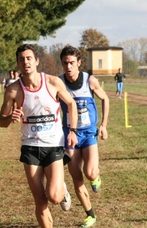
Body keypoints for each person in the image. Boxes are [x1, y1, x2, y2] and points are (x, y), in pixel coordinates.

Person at [0, 44, 78, 228]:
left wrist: (72, 131)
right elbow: (0, 121)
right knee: (40, 202)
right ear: (17, 63)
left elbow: (71, 104)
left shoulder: (52, 83)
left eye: (29, 58)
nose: (25, 62)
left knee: (54, 197)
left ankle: (62, 190)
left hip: (53, 145)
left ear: (36, 61)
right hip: (30, 147)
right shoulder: (13, 90)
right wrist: (10, 117)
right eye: (21, 59)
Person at [58, 45, 109, 228]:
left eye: (72, 62)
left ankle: (96, 177)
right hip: (69, 135)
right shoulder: (58, 83)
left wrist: (103, 125)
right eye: (65, 63)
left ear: (79, 63)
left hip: (88, 134)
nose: (69, 66)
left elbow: (105, 99)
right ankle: (90, 214)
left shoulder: (90, 81)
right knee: (76, 177)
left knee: (89, 172)